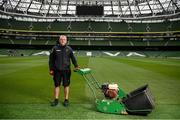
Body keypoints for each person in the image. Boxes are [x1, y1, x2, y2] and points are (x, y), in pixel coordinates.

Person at [49, 35, 79, 107]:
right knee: (57, 85)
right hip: (57, 71)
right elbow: (51, 60)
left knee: (66, 85)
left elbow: (73, 58)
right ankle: (56, 100)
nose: (63, 40)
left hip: (66, 71)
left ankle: (66, 100)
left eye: (64, 39)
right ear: (59, 40)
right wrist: (51, 69)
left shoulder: (69, 49)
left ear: (66, 40)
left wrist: (76, 66)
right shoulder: (55, 48)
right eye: (61, 39)